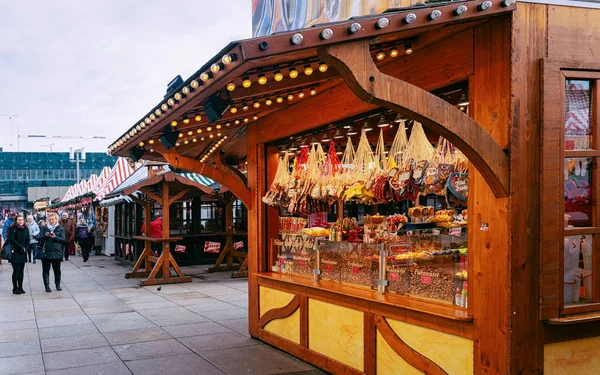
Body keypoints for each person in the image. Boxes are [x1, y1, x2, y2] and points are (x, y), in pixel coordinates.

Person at [37, 213, 66, 292]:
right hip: (46, 251)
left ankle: (58, 284)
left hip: (57, 251)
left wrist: (55, 237)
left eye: (53, 219)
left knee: (57, 269)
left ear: (56, 219)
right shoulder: (44, 228)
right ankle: (47, 286)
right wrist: (45, 236)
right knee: (46, 270)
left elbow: (63, 239)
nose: (51, 221)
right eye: (50, 219)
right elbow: (39, 238)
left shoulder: (60, 228)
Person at [6, 215, 29, 294]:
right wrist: (20, 247)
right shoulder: (13, 228)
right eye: (19, 220)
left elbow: (28, 240)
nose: (21, 221)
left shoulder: (26, 228)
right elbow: (11, 239)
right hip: (15, 252)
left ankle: (20, 287)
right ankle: (15, 288)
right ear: (16, 220)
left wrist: (26, 247)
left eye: (22, 220)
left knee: (21, 271)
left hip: (23, 253)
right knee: (16, 271)